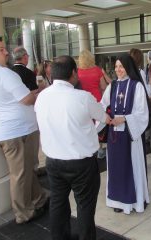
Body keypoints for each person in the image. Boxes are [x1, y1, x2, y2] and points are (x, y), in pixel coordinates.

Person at [0, 36, 48, 224]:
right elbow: (26, 100)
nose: (7, 52)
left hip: (8, 131)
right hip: (17, 132)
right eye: (1, 49)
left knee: (26, 170)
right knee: (20, 174)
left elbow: (13, 98)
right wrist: (38, 93)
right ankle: (23, 213)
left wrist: (30, 93)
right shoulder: (4, 74)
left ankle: (38, 199)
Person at [35, 55, 110, 240]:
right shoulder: (83, 97)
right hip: (81, 164)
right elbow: (103, 117)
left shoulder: (42, 96)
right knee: (84, 207)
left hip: (53, 162)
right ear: (74, 73)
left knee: (58, 204)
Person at [101, 53, 150, 214]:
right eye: (116, 66)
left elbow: (142, 113)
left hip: (130, 135)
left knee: (132, 166)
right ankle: (118, 200)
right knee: (115, 168)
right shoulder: (112, 86)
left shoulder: (137, 86)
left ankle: (135, 200)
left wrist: (125, 119)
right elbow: (102, 106)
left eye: (121, 66)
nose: (118, 69)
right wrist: (104, 117)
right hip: (114, 136)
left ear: (128, 67)